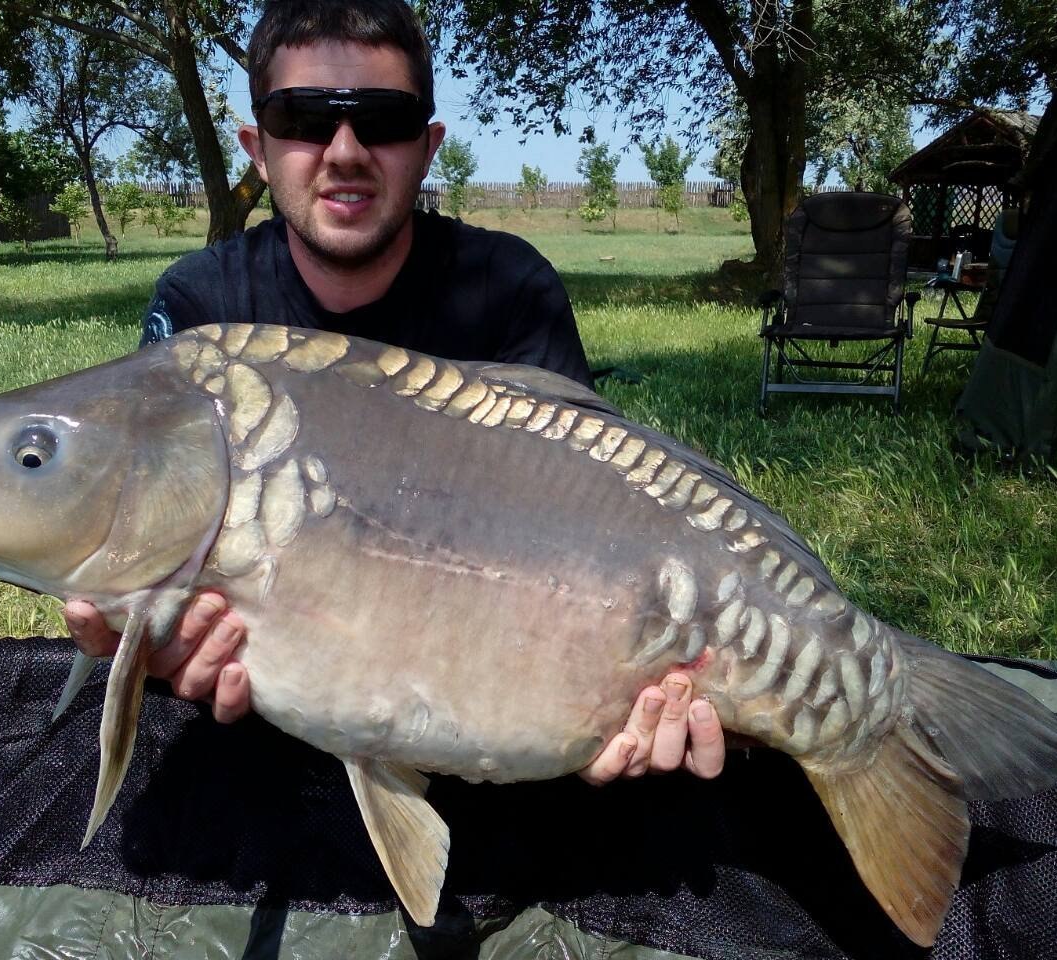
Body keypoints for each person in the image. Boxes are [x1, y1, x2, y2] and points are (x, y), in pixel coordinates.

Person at [64, 0, 725, 785]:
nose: (344, 151)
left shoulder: (508, 287)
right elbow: (146, 539)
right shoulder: (204, 308)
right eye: (303, 117)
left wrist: (597, 701)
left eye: (382, 121)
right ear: (258, 146)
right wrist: (157, 647)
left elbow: (592, 527)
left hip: (492, 724)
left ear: (427, 146)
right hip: (274, 750)